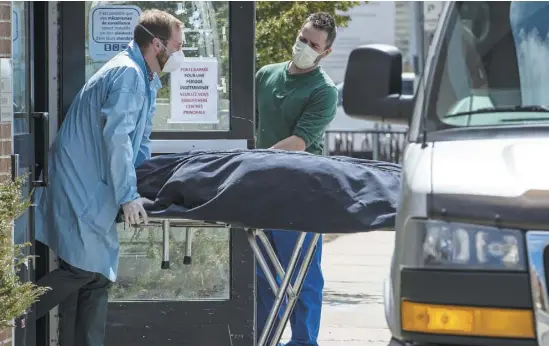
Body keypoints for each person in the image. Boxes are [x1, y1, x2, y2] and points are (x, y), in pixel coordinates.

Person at [32, 9, 184, 346]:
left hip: (96, 186)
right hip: (80, 182)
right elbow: (116, 139)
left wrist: (143, 186)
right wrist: (128, 195)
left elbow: (139, 142)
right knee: (83, 270)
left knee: (97, 277)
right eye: (177, 46)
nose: (179, 55)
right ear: (156, 43)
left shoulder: (146, 79)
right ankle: (15, 313)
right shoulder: (128, 75)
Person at [254, 12, 339, 346]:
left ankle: (304, 341)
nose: (304, 46)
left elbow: (299, 142)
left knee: (302, 274)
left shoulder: (324, 91)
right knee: (263, 273)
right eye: (303, 38)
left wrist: (256, 160)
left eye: (313, 44)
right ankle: (264, 338)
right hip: (261, 186)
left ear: (325, 53)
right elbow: (249, 124)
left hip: (300, 190)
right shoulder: (266, 75)